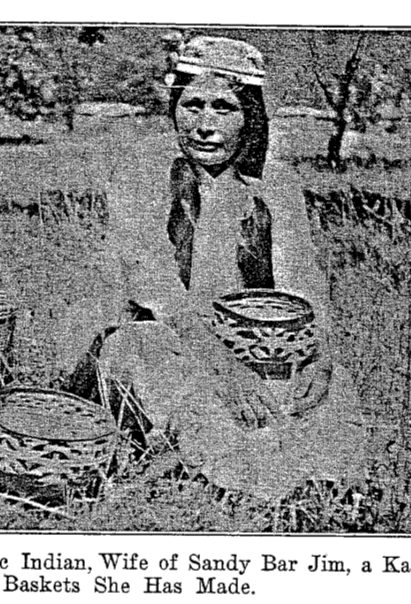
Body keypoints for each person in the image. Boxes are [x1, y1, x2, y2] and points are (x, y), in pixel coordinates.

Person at [60, 36, 367, 500]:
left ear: (250, 116)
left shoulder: (276, 182)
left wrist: (320, 356)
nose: (205, 125)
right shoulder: (142, 172)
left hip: (243, 339)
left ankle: (320, 494)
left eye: (223, 109)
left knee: (318, 393)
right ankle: (233, 485)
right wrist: (223, 371)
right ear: (173, 107)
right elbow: (156, 287)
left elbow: (301, 280)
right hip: (162, 337)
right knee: (165, 369)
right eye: (192, 106)